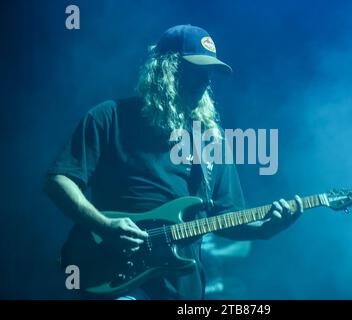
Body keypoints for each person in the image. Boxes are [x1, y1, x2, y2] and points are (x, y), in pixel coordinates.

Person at [43, 24, 303, 300]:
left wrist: (265, 230)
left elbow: (226, 218)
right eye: (196, 72)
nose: (205, 82)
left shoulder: (211, 142)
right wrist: (102, 226)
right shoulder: (110, 117)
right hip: (117, 279)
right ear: (165, 70)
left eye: (208, 75)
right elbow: (58, 180)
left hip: (182, 290)